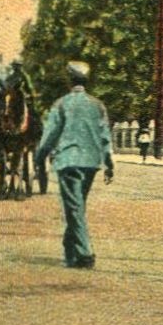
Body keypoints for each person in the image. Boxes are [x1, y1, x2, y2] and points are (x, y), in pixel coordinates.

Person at [35, 61, 114, 269]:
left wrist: (39, 157)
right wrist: (109, 163)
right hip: (91, 162)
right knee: (77, 206)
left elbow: (50, 135)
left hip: (69, 161)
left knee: (74, 207)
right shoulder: (98, 105)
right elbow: (105, 136)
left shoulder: (61, 104)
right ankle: (70, 250)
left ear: (69, 79)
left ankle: (85, 253)